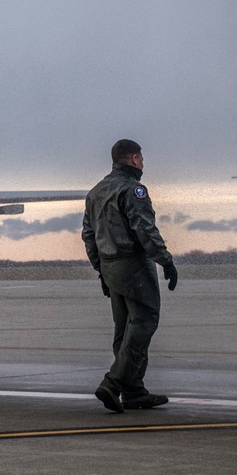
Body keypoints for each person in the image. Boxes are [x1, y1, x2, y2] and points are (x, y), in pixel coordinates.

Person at [81, 139, 179, 412]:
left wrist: (101, 269)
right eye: (141, 159)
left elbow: (89, 236)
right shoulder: (132, 190)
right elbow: (144, 229)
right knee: (144, 322)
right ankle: (114, 383)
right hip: (133, 265)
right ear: (134, 158)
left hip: (110, 266)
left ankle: (134, 391)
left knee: (124, 328)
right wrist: (166, 261)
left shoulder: (96, 192)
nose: (143, 164)